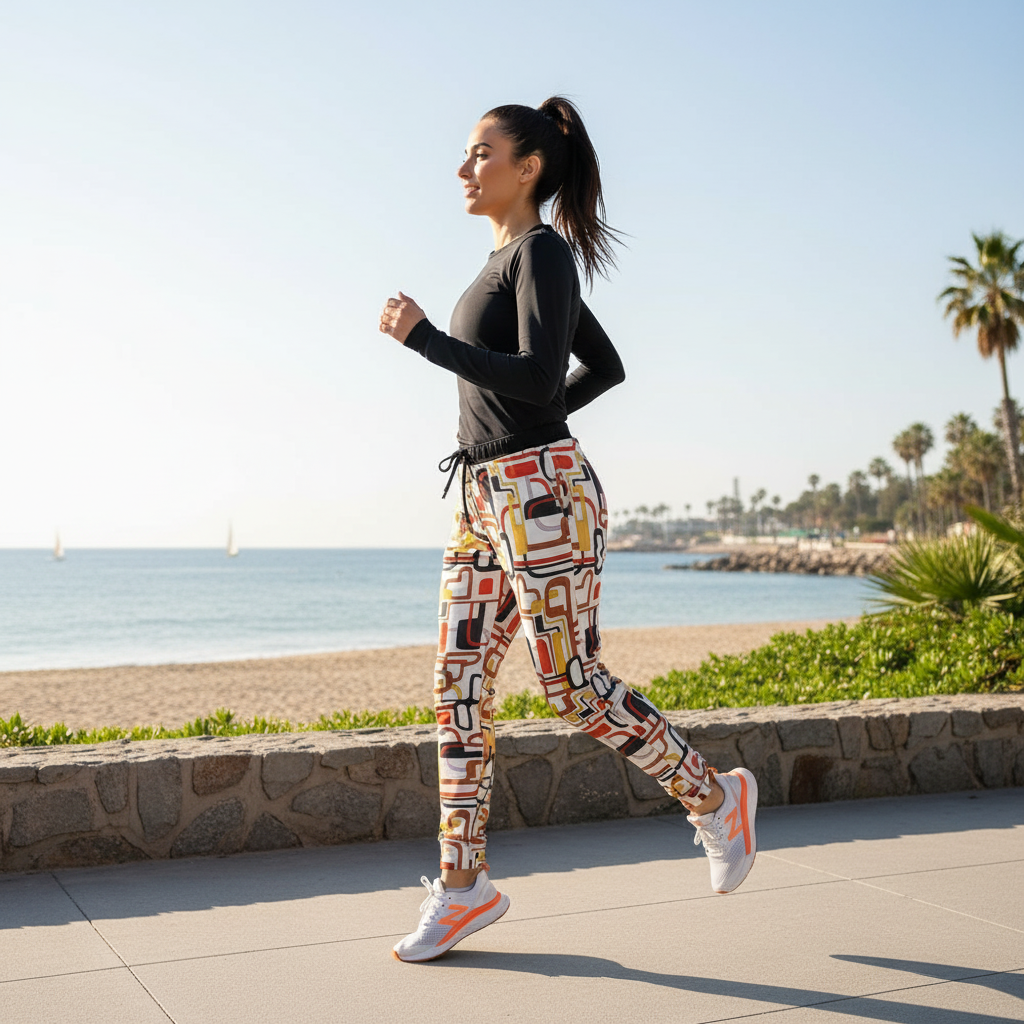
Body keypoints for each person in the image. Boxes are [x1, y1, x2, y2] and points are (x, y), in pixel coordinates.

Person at [378, 97, 757, 964]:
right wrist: (525, 425)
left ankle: (715, 797)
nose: (465, 168)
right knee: (457, 686)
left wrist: (426, 339)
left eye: (481, 153)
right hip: (483, 498)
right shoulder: (507, 260)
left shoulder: (542, 252)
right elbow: (600, 370)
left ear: (529, 167)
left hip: (541, 496)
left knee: (573, 685)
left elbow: (542, 377)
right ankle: (464, 886)